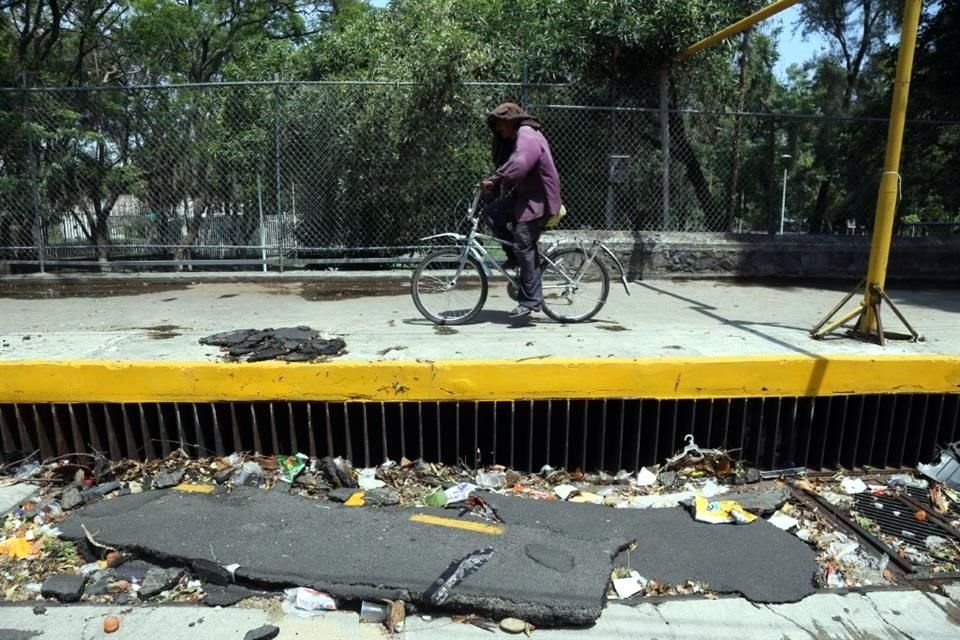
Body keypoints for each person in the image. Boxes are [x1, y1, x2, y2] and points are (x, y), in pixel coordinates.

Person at [481, 102, 562, 319]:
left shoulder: (527, 135)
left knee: (523, 241)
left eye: (500, 125)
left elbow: (520, 162)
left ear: (510, 122)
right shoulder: (519, 135)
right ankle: (515, 259)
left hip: (539, 200)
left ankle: (531, 300)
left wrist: (496, 178)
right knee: (492, 214)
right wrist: (494, 183)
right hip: (524, 198)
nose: (499, 130)